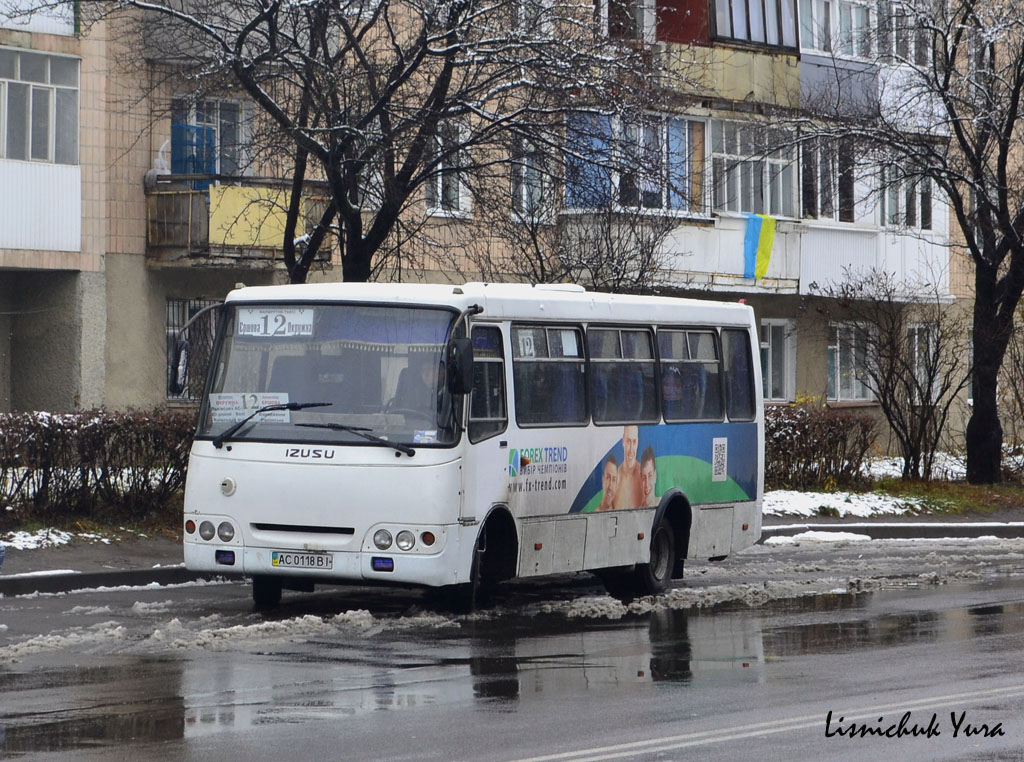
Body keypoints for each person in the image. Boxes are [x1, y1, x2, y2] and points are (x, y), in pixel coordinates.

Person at [614, 425, 643, 509]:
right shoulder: (615, 479)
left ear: (638, 442)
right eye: (628, 441)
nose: (631, 450)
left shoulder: (644, 478)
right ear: (623, 441)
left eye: (634, 442)